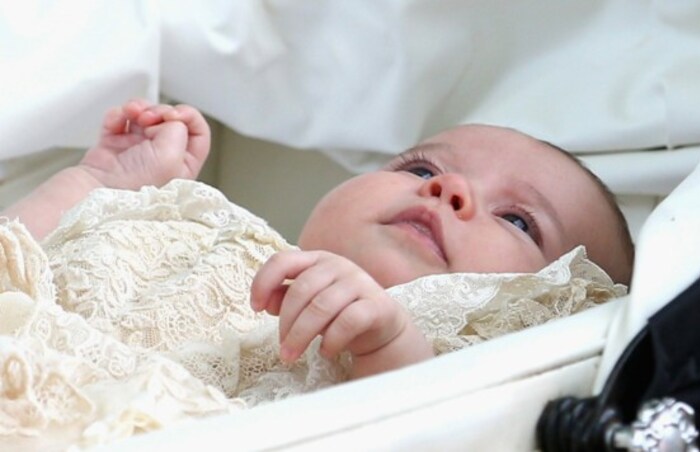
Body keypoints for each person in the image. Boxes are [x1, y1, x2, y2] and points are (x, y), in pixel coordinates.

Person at [2, 99, 634, 380]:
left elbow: (420, 422)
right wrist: (100, 184)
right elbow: (19, 266)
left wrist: (386, 343)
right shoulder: (214, 236)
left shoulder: (430, 358)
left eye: (518, 220)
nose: (451, 191)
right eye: (420, 170)